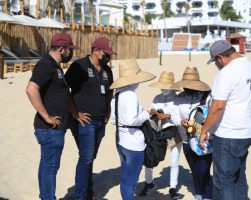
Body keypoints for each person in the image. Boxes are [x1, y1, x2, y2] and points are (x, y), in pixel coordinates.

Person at [199, 40, 251, 200]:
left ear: (220, 58)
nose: (217, 65)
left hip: (229, 134)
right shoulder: (250, 67)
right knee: (239, 176)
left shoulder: (227, 72)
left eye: (215, 62)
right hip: (247, 131)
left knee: (223, 181)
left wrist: (204, 131)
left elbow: (218, 106)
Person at [26, 32, 78, 200]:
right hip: (49, 128)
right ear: (62, 49)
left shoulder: (54, 66)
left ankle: (45, 197)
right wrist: (47, 117)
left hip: (53, 128)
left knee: (47, 165)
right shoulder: (47, 64)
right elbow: (31, 89)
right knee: (50, 167)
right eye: (70, 49)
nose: (71, 53)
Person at [65, 37, 116, 200]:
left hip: (101, 121)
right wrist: (74, 112)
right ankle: (80, 195)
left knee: (90, 156)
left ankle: (87, 189)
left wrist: (108, 109)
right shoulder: (79, 66)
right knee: (86, 157)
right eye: (106, 53)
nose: (109, 56)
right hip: (84, 120)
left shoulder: (107, 70)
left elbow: (110, 91)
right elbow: (64, 89)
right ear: (95, 51)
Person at [110, 59, 155, 200]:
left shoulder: (116, 95)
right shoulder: (130, 95)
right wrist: (148, 113)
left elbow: (113, 120)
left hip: (120, 140)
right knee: (131, 182)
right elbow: (132, 120)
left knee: (125, 179)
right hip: (133, 144)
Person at [139, 71, 182, 199]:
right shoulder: (156, 98)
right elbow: (152, 114)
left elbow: (180, 116)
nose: (162, 88)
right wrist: (152, 113)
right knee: (150, 157)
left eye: (165, 86)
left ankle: (173, 188)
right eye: (161, 86)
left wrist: (167, 116)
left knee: (174, 161)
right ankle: (149, 183)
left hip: (174, 132)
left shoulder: (178, 99)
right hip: (157, 133)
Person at [173, 67, 213, 200]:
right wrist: (180, 120)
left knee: (203, 171)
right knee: (195, 170)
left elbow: (213, 115)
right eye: (185, 86)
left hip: (203, 140)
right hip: (186, 140)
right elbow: (174, 114)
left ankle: (207, 195)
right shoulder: (179, 98)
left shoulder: (207, 97)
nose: (187, 89)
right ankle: (198, 195)